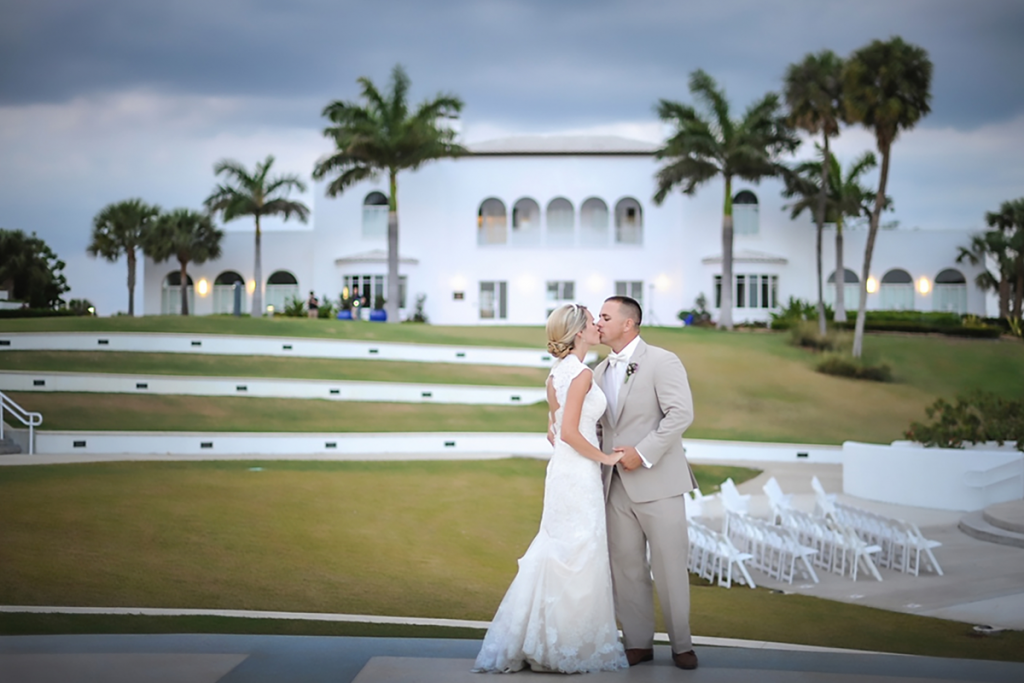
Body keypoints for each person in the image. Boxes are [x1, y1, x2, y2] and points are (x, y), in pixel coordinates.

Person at [474, 304, 628, 674]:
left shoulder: (555, 374)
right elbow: (571, 433)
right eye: (592, 322)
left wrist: (571, 444)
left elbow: (555, 430)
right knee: (579, 549)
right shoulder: (581, 375)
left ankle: (544, 640)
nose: (596, 326)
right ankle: (567, 645)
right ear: (578, 333)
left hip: (564, 470)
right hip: (577, 473)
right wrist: (606, 459)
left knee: (561, 548)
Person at [595, 295, 699, 671]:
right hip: (615, 486)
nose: (598, 322)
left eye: (605, 316)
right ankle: (637, 642)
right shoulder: (599, 370)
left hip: (660, 483)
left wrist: (643, 452)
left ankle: (682, 645)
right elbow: (601, 425)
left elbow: (680, 413)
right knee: (626, 568)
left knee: (671, 567)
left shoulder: (663, 360)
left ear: (629, 322)